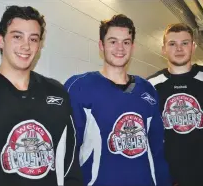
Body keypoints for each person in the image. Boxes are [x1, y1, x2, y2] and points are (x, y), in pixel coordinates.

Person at [0, 5, 82, 186]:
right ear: (1, 40)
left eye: (33, 39)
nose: (26, 46)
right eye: (17, 37)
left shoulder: (57, 93)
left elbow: (69, 164)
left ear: (39, 45)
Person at [64, 14, 171, 186]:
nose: (120, 48)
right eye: (113, 41)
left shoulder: (148, 90)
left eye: (126, 42)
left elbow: (157, 148)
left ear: (133, 46)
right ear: (101, 45)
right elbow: (67, 151)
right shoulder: (79, 87)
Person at [147, 23, 203, 186]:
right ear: (164, 49)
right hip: (169, 177)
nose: (179, 49)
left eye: (184, 43)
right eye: (172, 44)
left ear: (193, 47)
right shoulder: (150, 86)